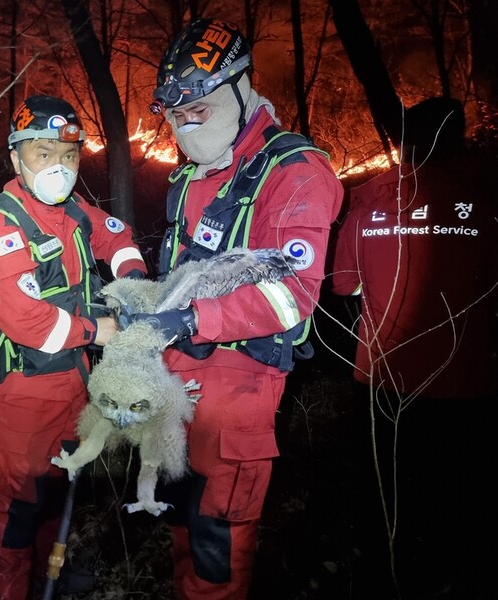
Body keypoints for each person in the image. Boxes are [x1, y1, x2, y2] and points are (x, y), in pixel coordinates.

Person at [135, 19, 343, 599]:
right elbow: (182, 272)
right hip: (179, 382)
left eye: (197, 110)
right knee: (181, 526)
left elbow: (292, 294)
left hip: (239, 388)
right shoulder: (191, 177)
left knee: (217, 550)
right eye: (175, 116)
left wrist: (192, 320)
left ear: (238, 88)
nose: (185, 126)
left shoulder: (294, 172)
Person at [0, 94, 148, 600]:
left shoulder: (71, 212)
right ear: (17, 157)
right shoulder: (0, 227)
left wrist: (131, 280)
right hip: (23, 391)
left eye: (69, 156)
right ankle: (10, 590)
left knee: (57, 491)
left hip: (72, 383)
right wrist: (99, 330)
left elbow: (118, 236)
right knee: (19, 506)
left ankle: (51, 578)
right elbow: (28, 323)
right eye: (44, 153)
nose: (59, 168)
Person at [330, 98, 497, 599]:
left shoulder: (367, 201)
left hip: (384, 379)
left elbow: (344, 285)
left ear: (403, 142)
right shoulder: (483, 203)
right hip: (464, 384)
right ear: (459, 139)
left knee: (389, 501)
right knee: (456, 502)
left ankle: (387, 578)